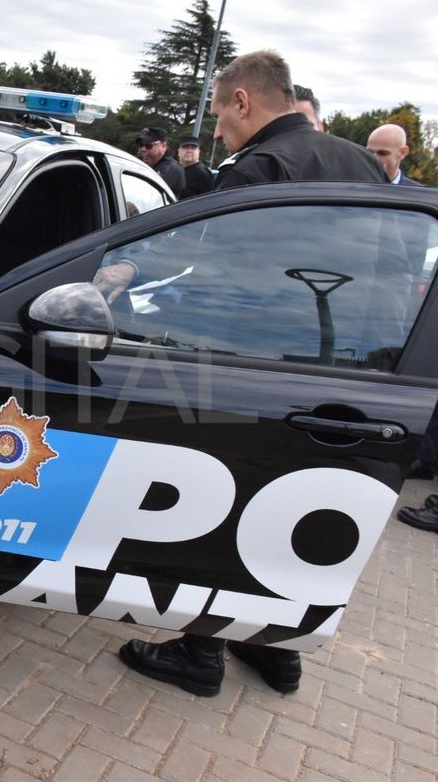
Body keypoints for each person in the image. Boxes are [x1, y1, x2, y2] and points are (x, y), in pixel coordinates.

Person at [110, 50, 391, 699]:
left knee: (228, 508)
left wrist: (132, 271)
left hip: (251, 367)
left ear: (244, 101)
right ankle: (279, 654)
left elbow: (211, 262)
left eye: (219, 113)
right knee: (289, 514)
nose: (218, 130)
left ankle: (200, 652)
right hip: (339, 371)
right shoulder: (358, 164)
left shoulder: (259, 167)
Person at [137, 126, 186, 197]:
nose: (143, 149)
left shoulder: (171, 169)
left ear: (163, 146)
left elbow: (149, 195)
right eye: (141, 145)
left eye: (148, 146)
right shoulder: (142, 163)